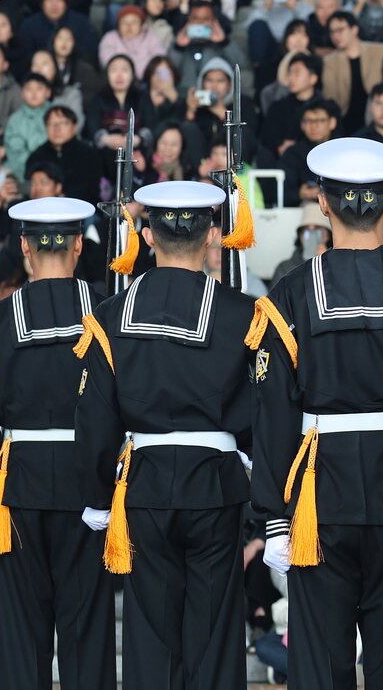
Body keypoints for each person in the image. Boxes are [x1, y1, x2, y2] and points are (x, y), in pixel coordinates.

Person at [249, 136, 383, 689]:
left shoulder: (290, 293)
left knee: (319, 660)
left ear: (323, 204)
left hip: (317, 489)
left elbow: (273, 409)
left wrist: (274, 515)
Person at [74, 181, 254, 690]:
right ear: (213, 235)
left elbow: (94, 418)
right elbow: (258, 411)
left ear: (148, 235)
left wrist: (97, 496)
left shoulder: (109, 316)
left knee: (150, 636)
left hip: (144, 484)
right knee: (215, 636)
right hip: (216, 484)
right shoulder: (242, 312)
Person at [0, 198, 116, 690]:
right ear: (78, 245)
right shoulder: (109, 312)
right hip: (89, 484)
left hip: (19, 485)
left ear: (24, 247)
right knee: (86, 628)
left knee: (21, 632)